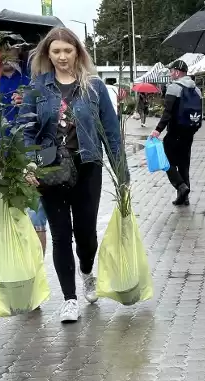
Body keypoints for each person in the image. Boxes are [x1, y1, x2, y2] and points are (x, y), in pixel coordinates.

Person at [19, 27, 125, 323]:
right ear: (48, 55)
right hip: (50, 168)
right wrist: (29, 163)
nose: (62, 57)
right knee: (60, 235)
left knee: (86, 234)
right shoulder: (36, 89)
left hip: (87, 166)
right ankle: (69, 298)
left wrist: (122, 174)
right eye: (56, 52)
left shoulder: (94, 87)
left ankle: (88, 271)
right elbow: (25, 130)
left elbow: (111, 132)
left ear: (78, 51)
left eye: (68, 50)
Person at [0, 48, 48, 252]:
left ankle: (36, 264)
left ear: (18, 52)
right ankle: (8, 260)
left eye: (9, 50)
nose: (4, 57)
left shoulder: (32, 78)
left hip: (27, 151)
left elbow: (50, 111)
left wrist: (29, 102)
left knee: (34, 209)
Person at [150, 60, 203, 206]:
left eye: (171, 70)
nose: (170, 73)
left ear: (177, 72)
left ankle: (180, 186)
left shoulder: (174, 88)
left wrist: (157, 130)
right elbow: (200, 113)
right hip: (189, 131)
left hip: (174, 132)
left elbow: (167, 113)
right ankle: (183, 197)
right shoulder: (196, 89)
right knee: (184, 163)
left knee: (167, 162)